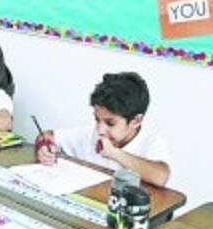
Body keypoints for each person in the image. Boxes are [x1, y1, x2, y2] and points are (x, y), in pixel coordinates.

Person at [34, 72, 172, 188]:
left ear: (136, 121)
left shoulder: (150, 143)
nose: (100, 130)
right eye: (97, 119)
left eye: (110, 123)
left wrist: (114, 153)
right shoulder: (90, 134)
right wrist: (44, 147)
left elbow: (161, 176)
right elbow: (47, 135)